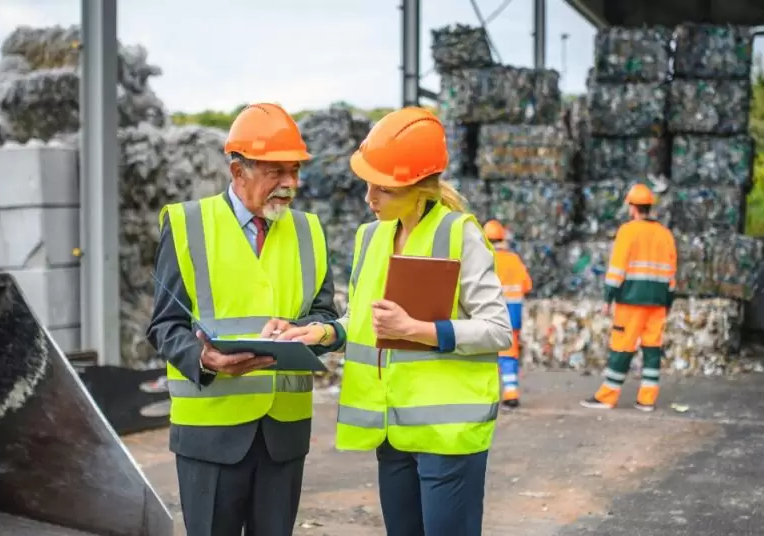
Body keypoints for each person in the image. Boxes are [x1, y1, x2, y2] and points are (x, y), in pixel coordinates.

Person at [275, 106, 513, 536]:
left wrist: (417, 331)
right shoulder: (371, 236)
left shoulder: (460, 234)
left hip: (448, 434)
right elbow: (363, 318)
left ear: (418, 187)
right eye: (368, 184)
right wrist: (327, 331)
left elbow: (498, 329)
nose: (370, 198)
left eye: (382, 189)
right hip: (393, 429)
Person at [146, 103, 342, 536]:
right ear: (238, 171)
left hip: (283, 435)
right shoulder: (186, 225)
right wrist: (205, 359)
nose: (289, 184)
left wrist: (311, 332)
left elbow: (324, 314)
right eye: (276, 172)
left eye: (294, 171)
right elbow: (164, 325)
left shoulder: (310, 231)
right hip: (210, 433)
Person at [581, 183, 677, 411]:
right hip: (658, 302)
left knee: (622, 346)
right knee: (652, 348)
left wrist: (607, 297)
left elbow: (617, 269)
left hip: (631, 300)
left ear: (632, 208)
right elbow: (672, 272)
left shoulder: (628, 231)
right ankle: (647, 399)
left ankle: (608, 396)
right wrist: (669, 300)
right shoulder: (665, 234)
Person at [483, 219, 533, 408]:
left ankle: (488, 396)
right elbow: (527, 285)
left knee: (486, 356)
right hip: (512, 315)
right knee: (509, 355)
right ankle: (511, 392)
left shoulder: (483, 259)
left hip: (489, 316)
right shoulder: (513, 259)